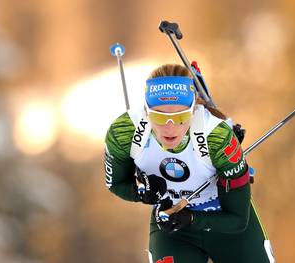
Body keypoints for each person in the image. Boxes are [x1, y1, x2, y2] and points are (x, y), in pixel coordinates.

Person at [104, 64, 275, 263]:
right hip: (172, 228)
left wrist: (192, 219)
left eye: (180, 117)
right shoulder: (124, 132)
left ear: (194, 111)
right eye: (160, 117)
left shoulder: (216, 138)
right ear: (146, 111)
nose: (170, 128)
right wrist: (141, 193)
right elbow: (115, 183)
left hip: (225, 221)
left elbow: (237, 220)